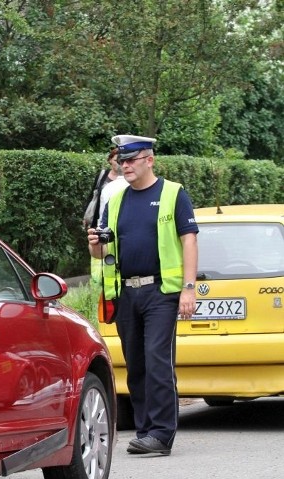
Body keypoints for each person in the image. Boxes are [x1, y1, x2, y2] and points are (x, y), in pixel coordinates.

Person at [87, 134, 198, 456]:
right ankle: (145, 429)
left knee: (157, 360)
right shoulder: (117, 200)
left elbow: (189, 240)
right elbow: (101, 252)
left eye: (130, 161)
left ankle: (162, 434)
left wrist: (188, 289)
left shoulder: (173, 193)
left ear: (149, 160)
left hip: (162, 291)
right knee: (135, 364)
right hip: (127, 292)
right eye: (121, 161)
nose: (124, 166)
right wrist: (95, 243)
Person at [85, 148, 125, 284]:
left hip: (111, 221)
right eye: (116, 160)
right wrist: (88, 216)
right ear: (110, 160)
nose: (120, 164)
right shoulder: (103, 176)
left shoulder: (127, 181)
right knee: (98, 246)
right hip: (100, 218)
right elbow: (94, 196)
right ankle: (98, 278)